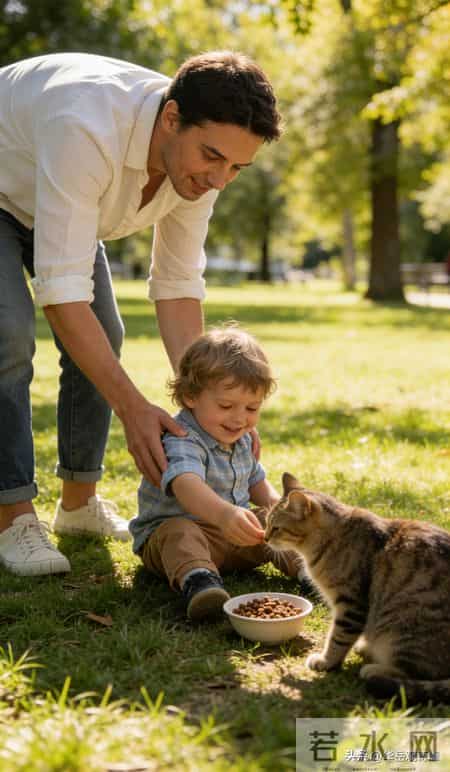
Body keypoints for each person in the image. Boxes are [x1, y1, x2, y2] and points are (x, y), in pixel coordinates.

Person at [0, 50, 281, 577]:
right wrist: (133, 408)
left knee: (105, 331)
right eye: (213, 157)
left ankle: (79, 505)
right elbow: (61, 296)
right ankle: (12, 515)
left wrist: (207, 403)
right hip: (5, 186)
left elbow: (176, 286)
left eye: (237, 167)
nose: (220, 180)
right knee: (8, 337)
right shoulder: (83, 124)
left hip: (56, 203)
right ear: (171, 118)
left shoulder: (199, 168)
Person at [129, 326, 304, 621]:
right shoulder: (182, 437)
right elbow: (186, 485)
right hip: (174, 540)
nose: (239, 418)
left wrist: (282, 512)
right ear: (190, 396)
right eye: (226, 406)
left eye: (251, 407)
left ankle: (308, 569)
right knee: (179, 533)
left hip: (231, 536)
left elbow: (256, 482)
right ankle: (200, 582)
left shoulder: (242, 437)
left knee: (270, 522)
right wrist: (224, 515)